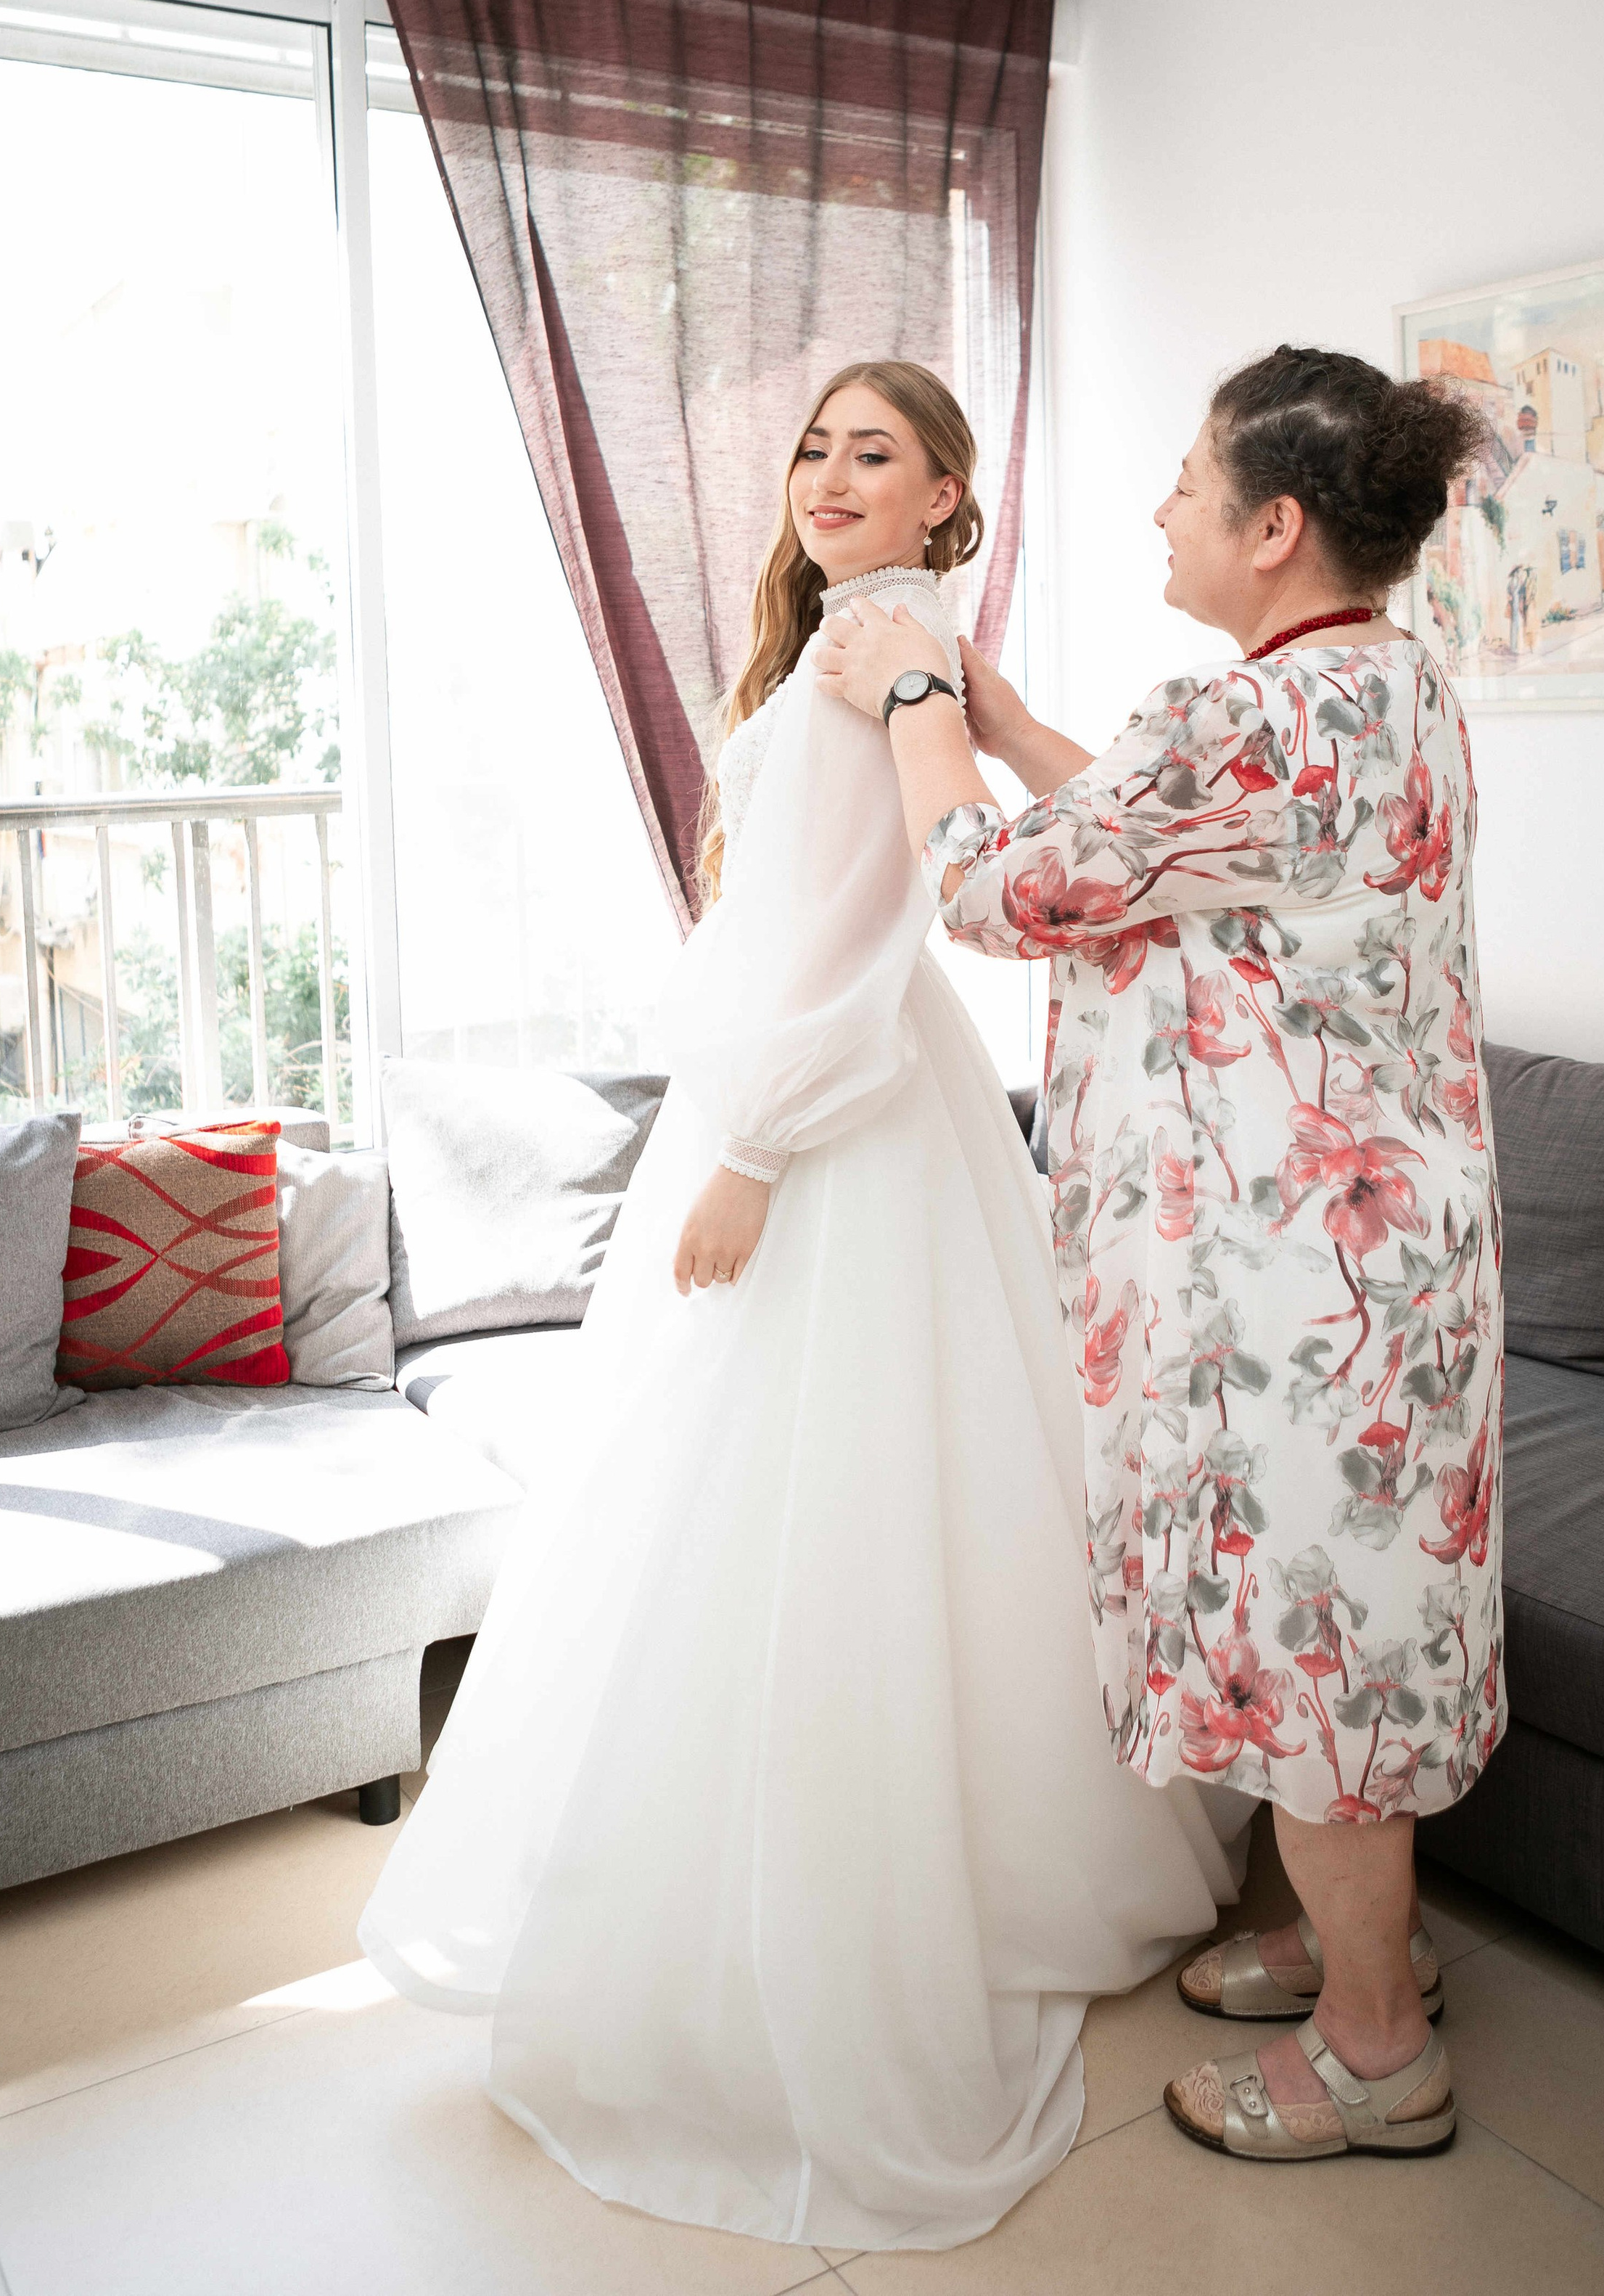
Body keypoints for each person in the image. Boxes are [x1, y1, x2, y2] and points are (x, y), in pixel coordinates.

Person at [358, 360, 1245, 2251]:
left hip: (827, 1114)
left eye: (879, 455)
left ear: (947, 497)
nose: (831, 478)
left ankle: (832, 1905)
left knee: (815, 1507)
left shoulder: (889, 645)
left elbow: (860, 923)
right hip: (825, 1092)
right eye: (815, 448)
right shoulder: (866, 633)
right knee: (835, 1510)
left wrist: (750, 1147)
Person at [820, 344, 1502, 2165]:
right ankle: (1362, 1952)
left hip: (1286, 1292)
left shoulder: (1252, 728)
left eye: (1187, 485)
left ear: (1273, 526)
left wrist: (911, 703)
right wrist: (1014, 717)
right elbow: (1152, 835)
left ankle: (1374, 2051)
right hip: (1379, 1282)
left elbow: (994, 886)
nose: (1156, 510)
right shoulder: (1383, 691)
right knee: (1350, 1640)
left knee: (1315, 1660)